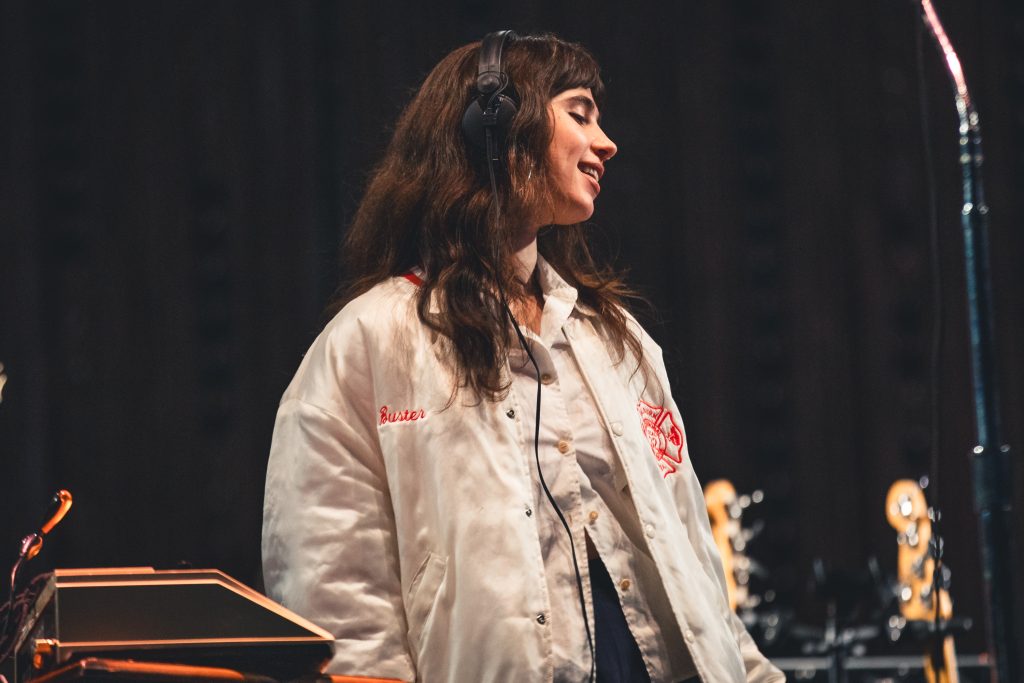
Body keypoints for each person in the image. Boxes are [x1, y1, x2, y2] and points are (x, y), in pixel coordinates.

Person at [262, 31, 784, 683]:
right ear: (496, 124)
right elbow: (339, 604)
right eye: (580, 113)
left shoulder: (615, 336)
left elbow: (692, 562)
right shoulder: (365, 344)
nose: (606, 142)